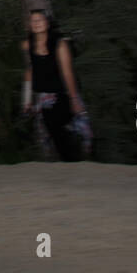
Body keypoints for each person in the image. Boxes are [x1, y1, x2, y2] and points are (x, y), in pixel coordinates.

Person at [21, 9, 88, 162]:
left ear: (47, 23)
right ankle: (70, 163)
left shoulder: (59, 44)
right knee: (56, 135)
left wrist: (74, 99)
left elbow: (67, 73)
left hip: (63, 93)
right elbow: (30, 71)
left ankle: (77, 158)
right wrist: (26, 100)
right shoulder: (28, 45)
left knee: (64, 129)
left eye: (40, 19)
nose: (36, 23)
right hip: (45, 97)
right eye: (33, 20)